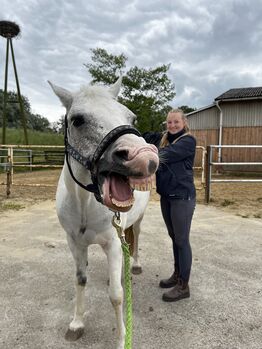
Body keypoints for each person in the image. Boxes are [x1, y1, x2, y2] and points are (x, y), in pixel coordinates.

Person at [143, 108, 196, 302]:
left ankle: (184, 286)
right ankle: (177, 274)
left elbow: (165, 155)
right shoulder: (166, 138)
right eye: (169, 122)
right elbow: (148, 136)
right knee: (174, 238)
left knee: (182, 240)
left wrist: (149, 149)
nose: (172, 125)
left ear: (184, 123)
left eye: (176, 122)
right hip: (167, 196)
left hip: (182, 197)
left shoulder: (188, 141)